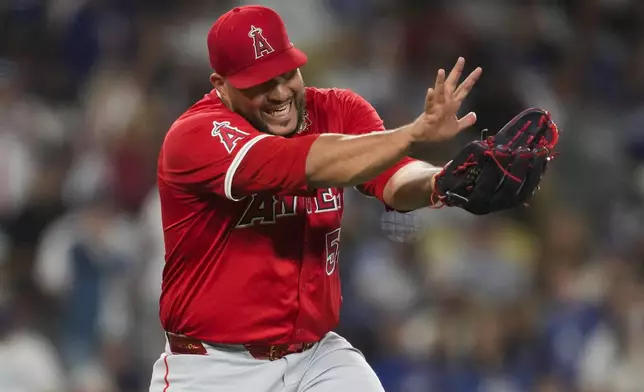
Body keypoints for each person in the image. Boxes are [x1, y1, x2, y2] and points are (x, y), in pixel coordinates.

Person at [149, 5, 482, 392]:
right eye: (259, 83)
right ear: (221, 85)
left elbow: (394, 177)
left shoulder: (338, 110)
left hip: (315, 358)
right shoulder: (195, 136)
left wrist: (444, 181)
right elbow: (304, 162)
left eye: (286, 74)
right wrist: (412, 132)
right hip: (215, 366)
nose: (279, 93)